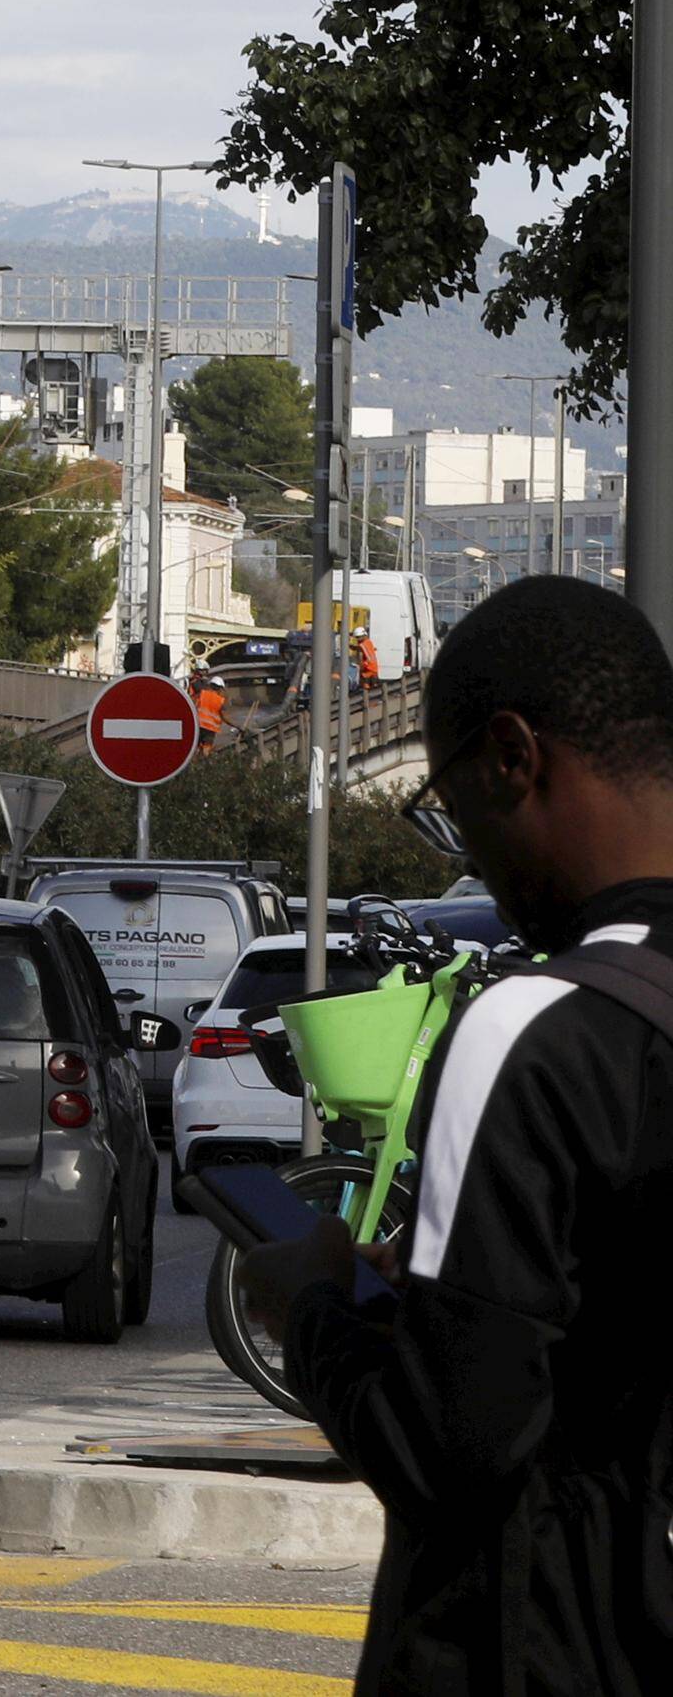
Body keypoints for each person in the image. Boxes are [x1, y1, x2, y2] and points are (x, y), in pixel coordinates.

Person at [249, 574, 673, 1693]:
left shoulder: (534, 1029)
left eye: (452, 805)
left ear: (511, 758)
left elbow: (450, 1444)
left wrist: (316, 1312)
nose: (468, 854)